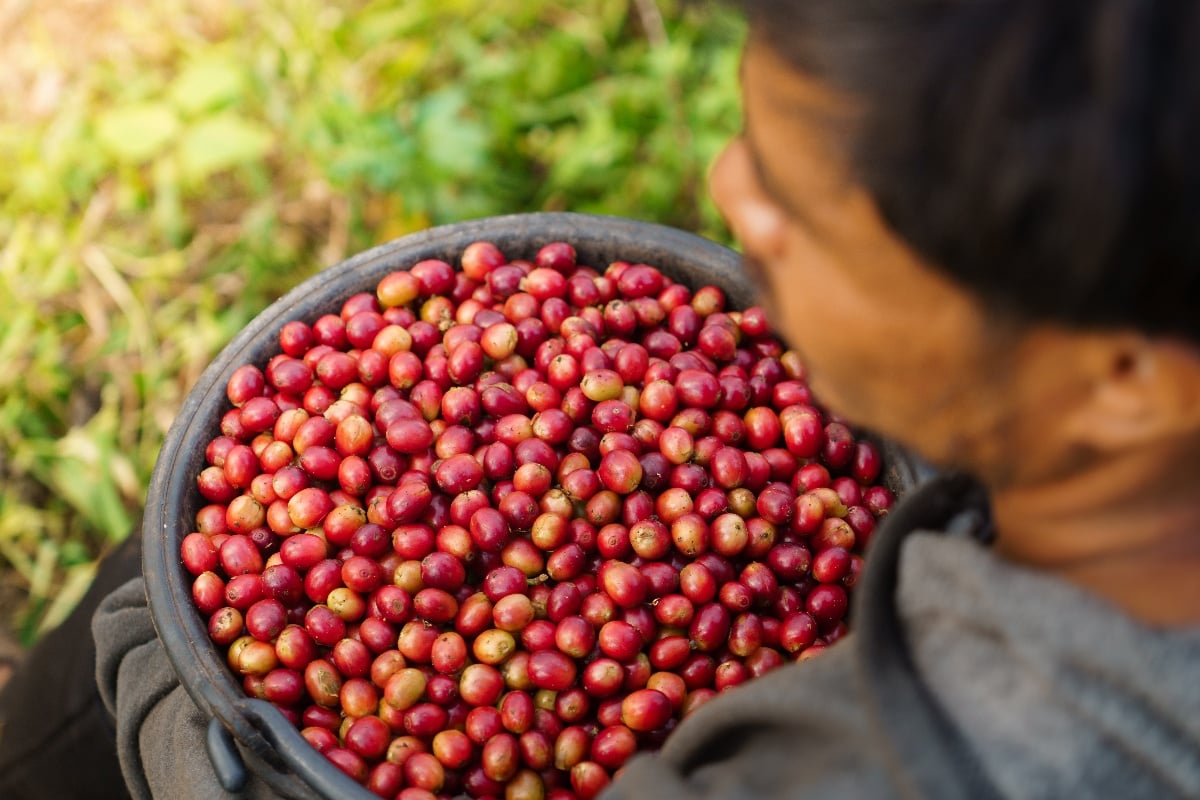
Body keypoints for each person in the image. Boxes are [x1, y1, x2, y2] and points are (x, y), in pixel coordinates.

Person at [5, 0, 1200, 797]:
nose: (730, 193)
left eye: (806, 206)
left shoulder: (858, 766)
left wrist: (170, 686)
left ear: (1129, 374)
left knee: (144, 609)